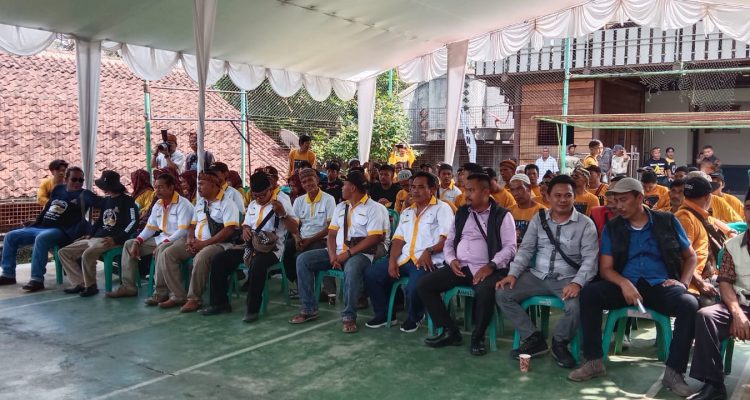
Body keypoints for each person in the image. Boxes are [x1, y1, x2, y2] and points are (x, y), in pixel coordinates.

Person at [568, 178, 699, 398]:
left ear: (640, 198)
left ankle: (674, 372)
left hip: (660, 285)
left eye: (623, 200)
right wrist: (624, 283)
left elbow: (691, 256)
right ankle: (593, 361)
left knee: (689, 303)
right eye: (615, 200)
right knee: (590, 293)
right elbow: (606, 269)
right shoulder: (613, 227)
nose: (618, 206)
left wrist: (683, 283)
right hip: (625, 286)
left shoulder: (667, 221)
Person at [497, 174, 599, 368]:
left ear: (574, 197)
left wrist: (577, 283)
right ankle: (533, 338)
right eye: (557, 195)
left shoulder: (586, 224)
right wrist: (513, 274)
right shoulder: (539, 218)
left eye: (567, 195)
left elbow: (590, 260)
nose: (562, 200)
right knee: (502, 293)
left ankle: (559, 342)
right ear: (549, 197)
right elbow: (526, 249)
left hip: (567, 279)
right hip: (537, 275)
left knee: (576, 307)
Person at [417, 173, 517, 355]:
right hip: (461, 267)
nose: (466, 195)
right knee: (425, 284)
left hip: (489, 268)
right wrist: (451, 260)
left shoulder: (502, 215)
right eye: (465, 190)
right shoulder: (462, 213)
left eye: (471, 190)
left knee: (485, 291)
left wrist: (490, 266)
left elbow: (510, 248)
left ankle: (478, 338)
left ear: (485, 192)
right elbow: (449, 242)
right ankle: (450, 331)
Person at [290, 170, 387, 333]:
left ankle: (349, 315)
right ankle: (308, 308)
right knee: (303, 260)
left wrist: (347, 254)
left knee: (352, 268)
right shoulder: (341, 207)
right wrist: (332, 255)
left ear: (353, 188)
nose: (342, 187)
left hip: (361, 253)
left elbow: (374, 238)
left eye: (345, 185)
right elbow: (332, 234)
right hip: (338, 252)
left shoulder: (373, 208)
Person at [364, 172, 454, 332]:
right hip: (404, 259)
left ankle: (415, 316)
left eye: (421, 187)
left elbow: (446, 238)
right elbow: (398, 240)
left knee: (414, 286)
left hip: (427, 261)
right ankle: (384, 314)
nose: (415, 191)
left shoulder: (442, 208)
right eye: (413, 187)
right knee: (372, 274)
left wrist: (429, 251)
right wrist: (392, 260)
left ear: (432, 189)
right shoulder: (407, 212)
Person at [688, 194, 750, 400]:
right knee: (706, 316)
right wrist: (737, 314)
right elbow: (725, 283)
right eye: (748, 208)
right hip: (740, 304)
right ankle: (714, 385)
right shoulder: (732, 246)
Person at [0, 166, 97, 291]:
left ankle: (37, 280)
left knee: (42, 238)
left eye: (81, 180)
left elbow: (103, 202)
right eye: (74, 179)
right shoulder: (58, 189)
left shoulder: (85, 194)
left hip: (61, 230)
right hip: (42, 226)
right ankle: (8, 274)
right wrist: (35, 221)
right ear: (66, 179)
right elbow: (47, 207)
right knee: (10, 236)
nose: (78, 183)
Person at [158, 171, 240, 312]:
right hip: (197, 241)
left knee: (201, 257)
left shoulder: (227, 203)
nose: (199, 187)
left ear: (213, 186)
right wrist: (190, 240)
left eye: (202, 184)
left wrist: (204, 244)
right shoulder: (201, 203)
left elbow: (228, 231)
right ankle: (177, 295)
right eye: (198, 184)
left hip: (219, 244)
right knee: (168, 253)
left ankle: (194, 299)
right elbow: (192, 226)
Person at [107, 173, 194, 300]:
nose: (157, 190)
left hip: (180, 240)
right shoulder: (158, 204)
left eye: (161, 187)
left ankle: (160, 292)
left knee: (162, 249)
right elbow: (150, 228)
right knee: (129, 244)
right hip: (163, 238)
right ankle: (128, 287)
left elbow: (183, 231)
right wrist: (138, 241)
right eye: (156, 187)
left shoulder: (183, 204)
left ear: (171, 188)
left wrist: (165, 242)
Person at [59, 171, 138, 297]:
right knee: (64, 252)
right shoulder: (106, 201)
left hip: (111, 240)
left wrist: (117, 239)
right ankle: (80, 283)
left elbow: (133, 222)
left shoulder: (127, 201)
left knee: (87, 254)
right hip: (96, 238)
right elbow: (100, 220)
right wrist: (90, 234)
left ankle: (91, 286)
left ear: (109, 186)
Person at [282, 168, 335, 298]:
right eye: (304, 182)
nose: (307, 184)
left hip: (322, 240)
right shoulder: (299, 201)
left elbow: (330, 228)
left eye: (310, 180)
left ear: (317, 179)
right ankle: (301, 286)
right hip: (303, 238)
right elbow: (295, 226)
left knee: (301, 256)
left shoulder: (328, 199)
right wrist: (296, 238)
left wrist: (309, 240)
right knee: (283, 250)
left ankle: (323, 291)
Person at [674, 176, 722, 305]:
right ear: (707, 197)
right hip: (693, 285)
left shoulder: (698, 215)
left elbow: (714, 222)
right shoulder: (685, 218)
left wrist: (730, 231)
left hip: (707, 277)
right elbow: (681, 257)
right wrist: (701, 284)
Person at [507, 174, 546, 244]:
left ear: (529, 188)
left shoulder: (543, 212)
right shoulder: (508, 212)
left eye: (519, 188)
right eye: (512, 190)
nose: (515, 193)